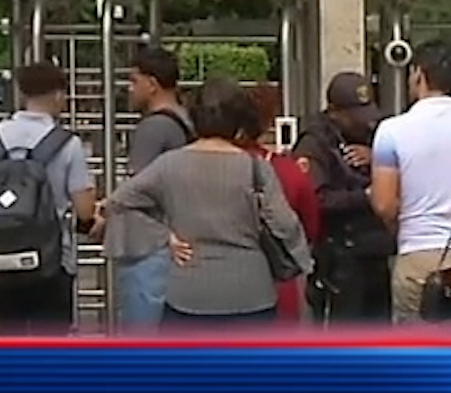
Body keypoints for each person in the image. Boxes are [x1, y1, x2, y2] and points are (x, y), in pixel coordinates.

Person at [104, 78, 310, 329]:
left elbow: (120, 201)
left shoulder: (169, 164)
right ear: (238, 120)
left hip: (188, 291)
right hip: (251, 291)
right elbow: (285, 224)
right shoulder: (256, 168)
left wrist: (164, 236)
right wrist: (303, 259)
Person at [0, 61, 97, 335]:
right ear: (58, 94)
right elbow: (84, 209)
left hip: (1, 256)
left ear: (22, 93)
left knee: (9, 338)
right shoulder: (67, 143)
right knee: (51, 342)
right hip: (52, 259)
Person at [371, 41, 451, 322]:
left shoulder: (391, 131)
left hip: (416, 252)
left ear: (418, 73)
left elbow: (384, 204)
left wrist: (401, 227)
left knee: (416, 346)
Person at [291, 71, 395, 325]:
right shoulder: (315, 143)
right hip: (340, 257)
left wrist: (376, 157)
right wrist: (364, 197)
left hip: (376, 253)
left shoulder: (374, 136)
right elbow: (316, 200)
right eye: (356, 116)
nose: (365, 123)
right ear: (336, 112)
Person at [106, 45, 194, 330]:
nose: (129, 88)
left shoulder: (153, 128)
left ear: (152, 84)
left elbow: (137, 191)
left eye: (134, 80)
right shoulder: (186, 121)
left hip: (149, 249)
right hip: (176, 241)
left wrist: (109, 208)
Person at [236, 93, 322, 326]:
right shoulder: (288, 170)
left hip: (212, 285)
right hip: (277, 279)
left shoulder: (201, 168)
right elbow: (310, 228)